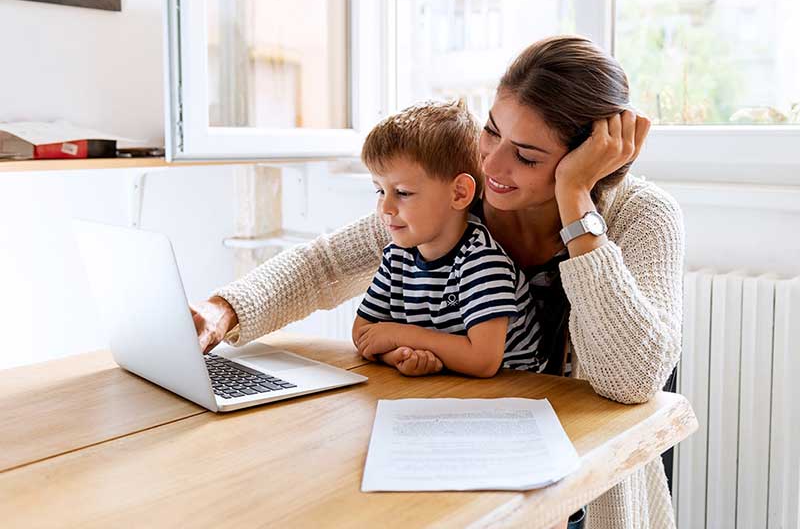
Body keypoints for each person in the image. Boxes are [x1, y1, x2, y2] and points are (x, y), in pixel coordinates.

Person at [191, 35, 685, 529]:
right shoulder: (458, 195)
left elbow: (632, 379)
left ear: (592, 160)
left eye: (527, 156)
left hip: (578, 498)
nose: (491, 165)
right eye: (491, 132)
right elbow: (325, 265)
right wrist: (221, 313)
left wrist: (576, 200)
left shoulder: (642, 217)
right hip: (461, 466)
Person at [353, 100, 536, 378]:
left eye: (402, 192)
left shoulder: (483, 262)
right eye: (380, 191)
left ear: (459, 193)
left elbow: (483, 360)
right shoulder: (396, 256)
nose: (385, 208)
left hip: (515, 396)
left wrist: (401, 335)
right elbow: (364, 333)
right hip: (449, 391)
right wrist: (398, 354)